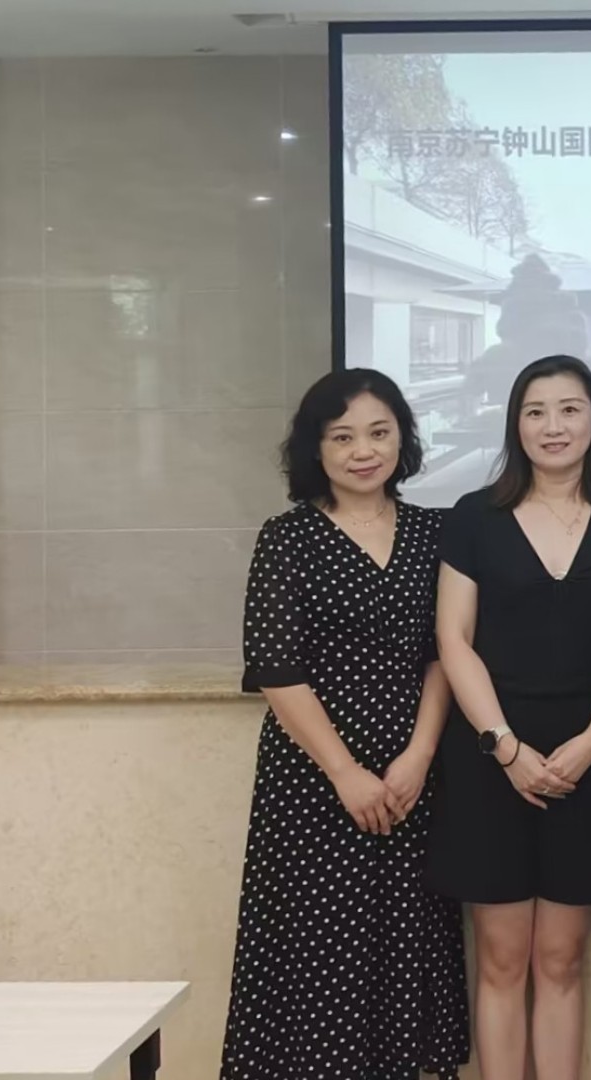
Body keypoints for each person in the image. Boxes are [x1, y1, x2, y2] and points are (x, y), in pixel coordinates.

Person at [223, 369, 470, 1079]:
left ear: (402, 439)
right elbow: (277, 670)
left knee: (406, 950)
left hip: (412, 780)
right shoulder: (287, 539)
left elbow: (444, 653)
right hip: (315, 784)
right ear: (316, 448)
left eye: (379, 432)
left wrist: (419, 755)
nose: (364, 451)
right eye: (342, 437)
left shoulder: (435, 532)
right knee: (318, 957)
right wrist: (345, 773)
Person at [427, 355, 591, 1080]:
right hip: (491, 761)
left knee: (560, 957)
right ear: (515, 424)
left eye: (570, 409)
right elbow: (454, 639)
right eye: (536, 411)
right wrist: (505, 746)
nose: (554, 426)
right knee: (501, 957)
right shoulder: (474, 517)